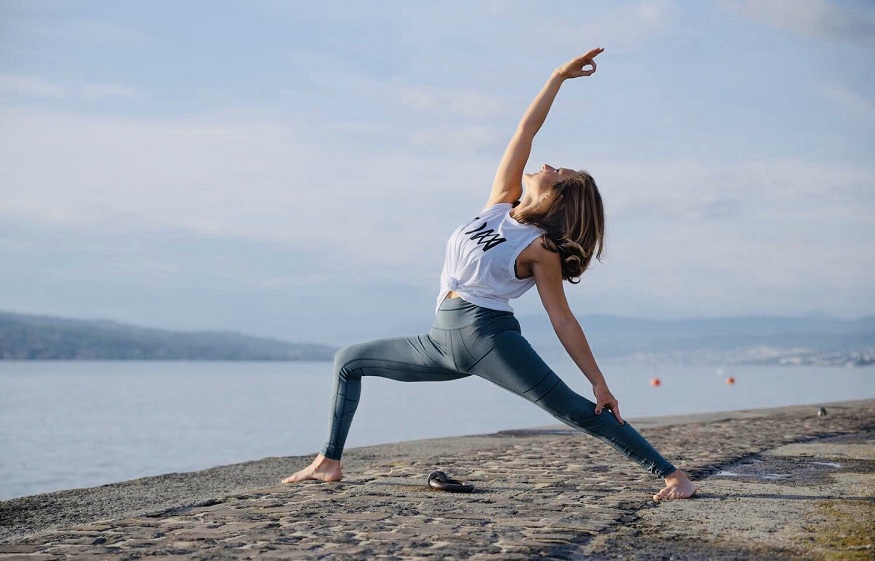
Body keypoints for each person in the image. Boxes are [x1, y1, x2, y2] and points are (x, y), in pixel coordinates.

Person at [284, 48, 697, 501]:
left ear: (559, 198)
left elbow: (562, 319)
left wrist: (599, 381)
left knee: (574, 409)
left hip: (489, 340)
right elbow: (526, 130)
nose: (546, 165)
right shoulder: (501, 203)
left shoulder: (541, 249)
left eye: (557, 172)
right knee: (348, 360)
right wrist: (557, 77)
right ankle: (329, 461)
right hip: (441, 342)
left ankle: (673, 475)